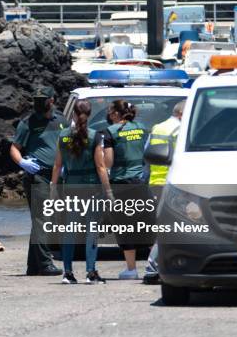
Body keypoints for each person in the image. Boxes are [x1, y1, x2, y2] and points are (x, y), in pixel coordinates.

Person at [10, 86, 69, 276]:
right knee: (42, 218)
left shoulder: (60, 120)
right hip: (37, 175)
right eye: (36, 99)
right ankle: (44, 263)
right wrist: (23, 163)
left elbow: (69, 142)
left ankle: (33, 265)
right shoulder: (28, 123)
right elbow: (14, 148)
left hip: (57, 175)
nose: (38, 103)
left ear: (51, 101)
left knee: (42, 219)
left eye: (42, 99)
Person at [94, 100, 151, 280]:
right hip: (141, 182)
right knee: (148, 224)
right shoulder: (142, 128)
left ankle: (131, 269)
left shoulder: (110, 132)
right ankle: (154, 266)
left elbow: (109, 161)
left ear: (116, 114)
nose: (109, 114)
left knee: (125, 226)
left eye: (110, 111)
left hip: (121, 184)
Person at [51, 100, 106, 285]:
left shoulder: (63, 135)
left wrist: (53, 188)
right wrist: (109, 191)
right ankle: (90, 272)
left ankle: (67, 272)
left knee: (70, 231)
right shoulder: (94, 136)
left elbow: (58, 165)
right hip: (91, 189)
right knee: (92, 230)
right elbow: (100, 166)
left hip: (71, 188)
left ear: (73, 114)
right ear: (89, 115)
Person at [143, 100, 185, 284]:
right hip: (173, 182)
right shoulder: (181, 130)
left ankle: (154, 267)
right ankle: (152, 268)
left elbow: (147, 153)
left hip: (156, 182)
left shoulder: (158, 127)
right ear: (182, 114)